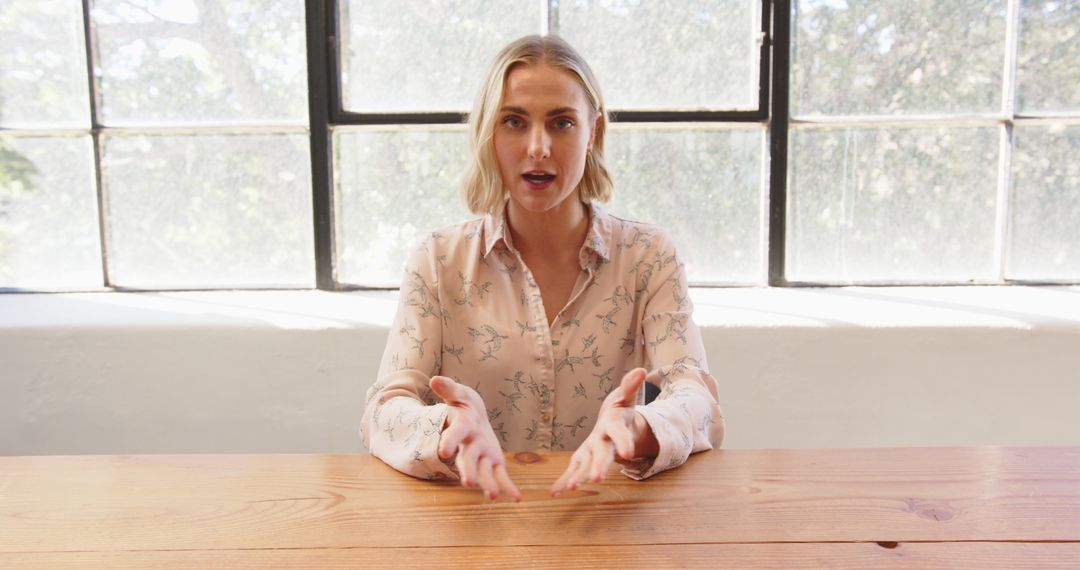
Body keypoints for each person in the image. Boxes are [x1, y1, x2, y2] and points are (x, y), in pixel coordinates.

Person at [360, 34, 724, 502]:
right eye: (514, 121)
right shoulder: (438, 259)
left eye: (562, 123)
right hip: (475, 516)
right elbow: (383, 411)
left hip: (603, 516)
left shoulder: (648, 255)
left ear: (592, 132)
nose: (538, 147)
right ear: (489, 133)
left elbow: (695, 397)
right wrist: (445, 426)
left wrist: (640, 428)